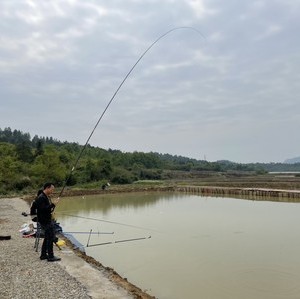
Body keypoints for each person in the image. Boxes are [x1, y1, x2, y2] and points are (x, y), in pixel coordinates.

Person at [35, 182, 60, 262]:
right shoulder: (41, 197)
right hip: (45, 221)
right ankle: (51, 256)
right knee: (50, 238)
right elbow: (43, 209)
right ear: (47, 188)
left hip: (46, 220)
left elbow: (47, 209)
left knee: (47, 237)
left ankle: (43, 255)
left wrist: (52, 206)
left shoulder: (45, 196)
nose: (53, 191)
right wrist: (53, 204)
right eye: (52, 189)